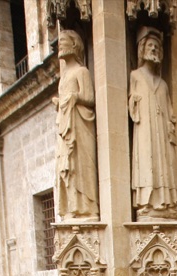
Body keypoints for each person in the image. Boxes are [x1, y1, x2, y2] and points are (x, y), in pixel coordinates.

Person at [128, 27, 177, 220]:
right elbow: (131, 104)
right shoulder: (136, 76)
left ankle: (165, 201)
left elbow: (170, 113)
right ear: (142, 49)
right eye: (150, 45)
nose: (154, 49)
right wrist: (135, 102)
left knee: (162, 165)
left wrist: (170, 128)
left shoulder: (163, 84)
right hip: (145, 130)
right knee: (147, 162)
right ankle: (147, 202)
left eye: (157, 46)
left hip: (161, 133)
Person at [54, 29, 99, 220]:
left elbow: (89, 97)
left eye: (64, 41)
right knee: (67, 167)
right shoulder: (64, 76)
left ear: (75, 45)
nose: (60, 45)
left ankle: (86, 206)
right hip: (66, 126)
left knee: (81, 166)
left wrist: (71, 97)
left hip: (80, 127)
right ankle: (73, 207)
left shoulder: (82, 71)